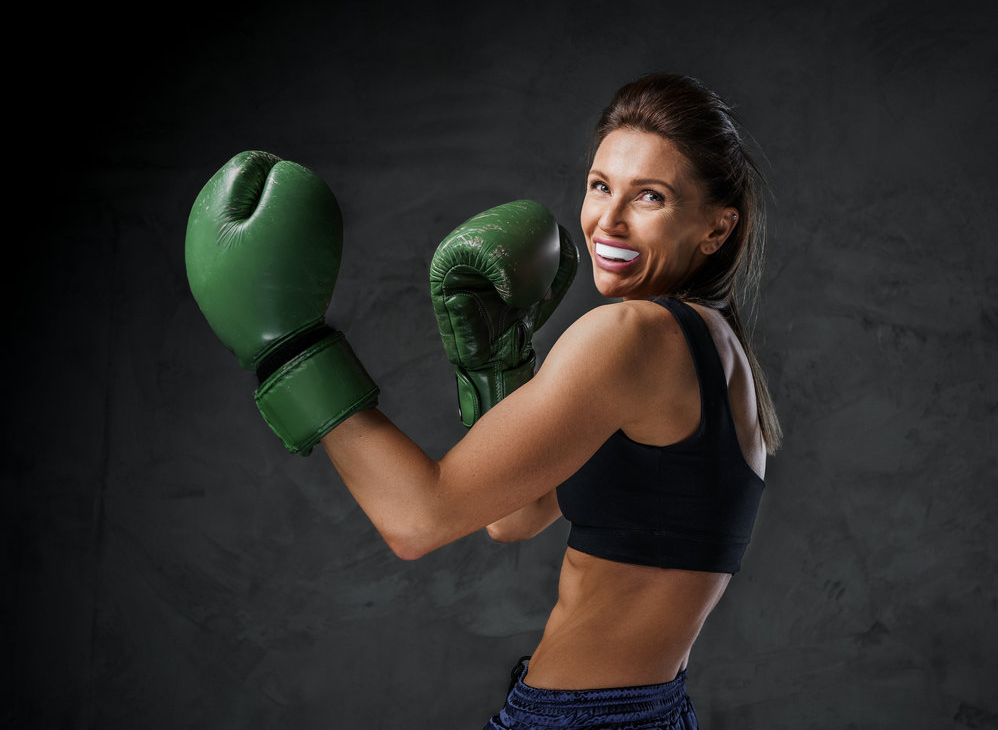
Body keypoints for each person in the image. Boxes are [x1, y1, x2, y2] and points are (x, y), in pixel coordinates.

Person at [184, 72, 782, 729]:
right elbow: (515, 517)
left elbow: (417, 520)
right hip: (654, 710)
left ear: (716, 229)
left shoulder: (633, 336)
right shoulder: (720, 352)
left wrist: (289, 350)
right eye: (599, 185)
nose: (607, 220)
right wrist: (497, 364)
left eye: (649, 197)